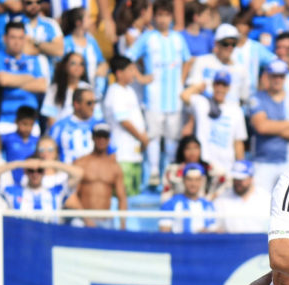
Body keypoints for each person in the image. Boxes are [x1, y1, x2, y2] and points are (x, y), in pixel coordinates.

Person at [127, 0, 192, 187]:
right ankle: (154, 171)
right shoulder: (147, 37)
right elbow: (130, 57)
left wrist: (181, 80)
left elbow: (188, 60)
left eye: (166, 15)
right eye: (160, 15)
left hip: (174, 97)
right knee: (154, 135)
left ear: (171, 17)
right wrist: (140, 76)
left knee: (172, 137)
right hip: (153, 97)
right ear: (154, 17)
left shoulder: (178, 38)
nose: (163, 19)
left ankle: (169, 171)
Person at [249, 59, 289, 194]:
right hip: (262, 162)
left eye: (281, 76)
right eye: (274, 75)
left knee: (285, 205)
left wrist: (270, 125)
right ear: (267, 76)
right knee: (262, 204)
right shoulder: (257, 98)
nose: (278, 79)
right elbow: (261, 127)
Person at [181, 71, 248, 173]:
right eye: (218, 84)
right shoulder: (202, 103)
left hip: (226, 166)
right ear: (213, 85)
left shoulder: (236, 110)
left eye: (224, 85)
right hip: (205, 164)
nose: (220, 88)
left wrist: (240, 166)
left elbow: (238, 142)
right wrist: (199, 86)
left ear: (228, 88)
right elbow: (184, 95)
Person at [0, 22, 48, 135]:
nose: (17, 42)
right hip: (4, 121)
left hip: (31, 123)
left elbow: (42, 85)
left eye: (20, 38)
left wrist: (12, 82)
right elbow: (2, 80)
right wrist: (29, 77)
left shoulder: (33, 60)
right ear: (5, 38)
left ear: (25, 39)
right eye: (13, 37)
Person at [0, 153, 84, 221]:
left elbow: (79, 173)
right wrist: (20, 164)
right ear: (25, 171)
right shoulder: (14, 193)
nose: (35, 174)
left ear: (44, 171)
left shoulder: (55, 193)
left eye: (39, 170)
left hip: (48, 240)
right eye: (31, 170)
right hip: (22, 242)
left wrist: (47, 163)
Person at [103, 55, 147, 198]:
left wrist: (143, 138)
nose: (133, 73)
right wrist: (142, 138)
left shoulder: (130, 91)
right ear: (119, 73)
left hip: (134, 153)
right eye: (130, 70)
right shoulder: (114, 91)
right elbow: (123, 120)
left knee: (134, 194)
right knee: (122, 194)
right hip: (121, 154)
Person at [73, 124, 128, 229]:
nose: (101, 140)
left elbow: (122, 198)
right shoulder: (81, 163)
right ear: (93, 138)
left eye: (105, 137)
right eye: (99, 136)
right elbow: (72, 195)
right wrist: (85, 219)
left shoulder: (114, 167)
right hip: (83, 220)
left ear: (109, 140)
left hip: (105, 221)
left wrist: (123, 224)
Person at [187, 23, 249, 104]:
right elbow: (192, 91)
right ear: (216, 43)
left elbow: (243, 97)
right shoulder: (202, 62)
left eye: (233, 44)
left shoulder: (241, 69)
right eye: (226, 43)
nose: (229, 47)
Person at [160, 135, 229, 202]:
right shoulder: (173, 169)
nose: (192, 152)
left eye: (196, 148)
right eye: (188, 148)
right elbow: (166, 193)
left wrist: (211, 197)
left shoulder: (208, 167)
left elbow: (226, 179)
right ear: (182, 150)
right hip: (180, 208)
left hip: (202, 209)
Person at [61, 7, 109, 100]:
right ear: (78, 22)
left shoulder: (91, 41)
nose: (91, 21)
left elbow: (102, 62)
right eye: (88, 17)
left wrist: (102, 68)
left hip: (93, 92)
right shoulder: (65, 43)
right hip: (71, 94)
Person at [215, 160, 272, 233]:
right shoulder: (222, 199)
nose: (237, 182)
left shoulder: (266, 199)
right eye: (235, 179)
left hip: (259, 242)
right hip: (232, 242)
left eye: (241, 179)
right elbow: (216, 226)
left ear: (251, 178)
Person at [159, 163, 217, 233]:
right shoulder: (170, 204)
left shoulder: (208, 205)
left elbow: (213, 230)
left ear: (201, 181)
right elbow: (164, 233)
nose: (193, 184)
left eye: (197, 180)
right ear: (183, 180)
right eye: (189, 179)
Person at [49, 86, 99, 163]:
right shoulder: (60, 126)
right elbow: (51, 153)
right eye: (89, 103)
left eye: (94, 102)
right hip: (67, 172)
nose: (93, 106)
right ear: (76, 104)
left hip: (93, 173)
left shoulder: (99, 125)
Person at [40, 53, 90, 127]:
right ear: (65, 66)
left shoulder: (88, 89)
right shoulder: (54, 89)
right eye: (73, 63)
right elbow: (51, 118)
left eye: (81, 64)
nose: (77, 67)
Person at [0, 106, 39, 186]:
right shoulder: (6, 138)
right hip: (10, 181)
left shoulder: (37, 141)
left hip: (30, 182)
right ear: (16, 121)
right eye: (24, 124)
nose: (27, 128)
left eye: (31, 125)